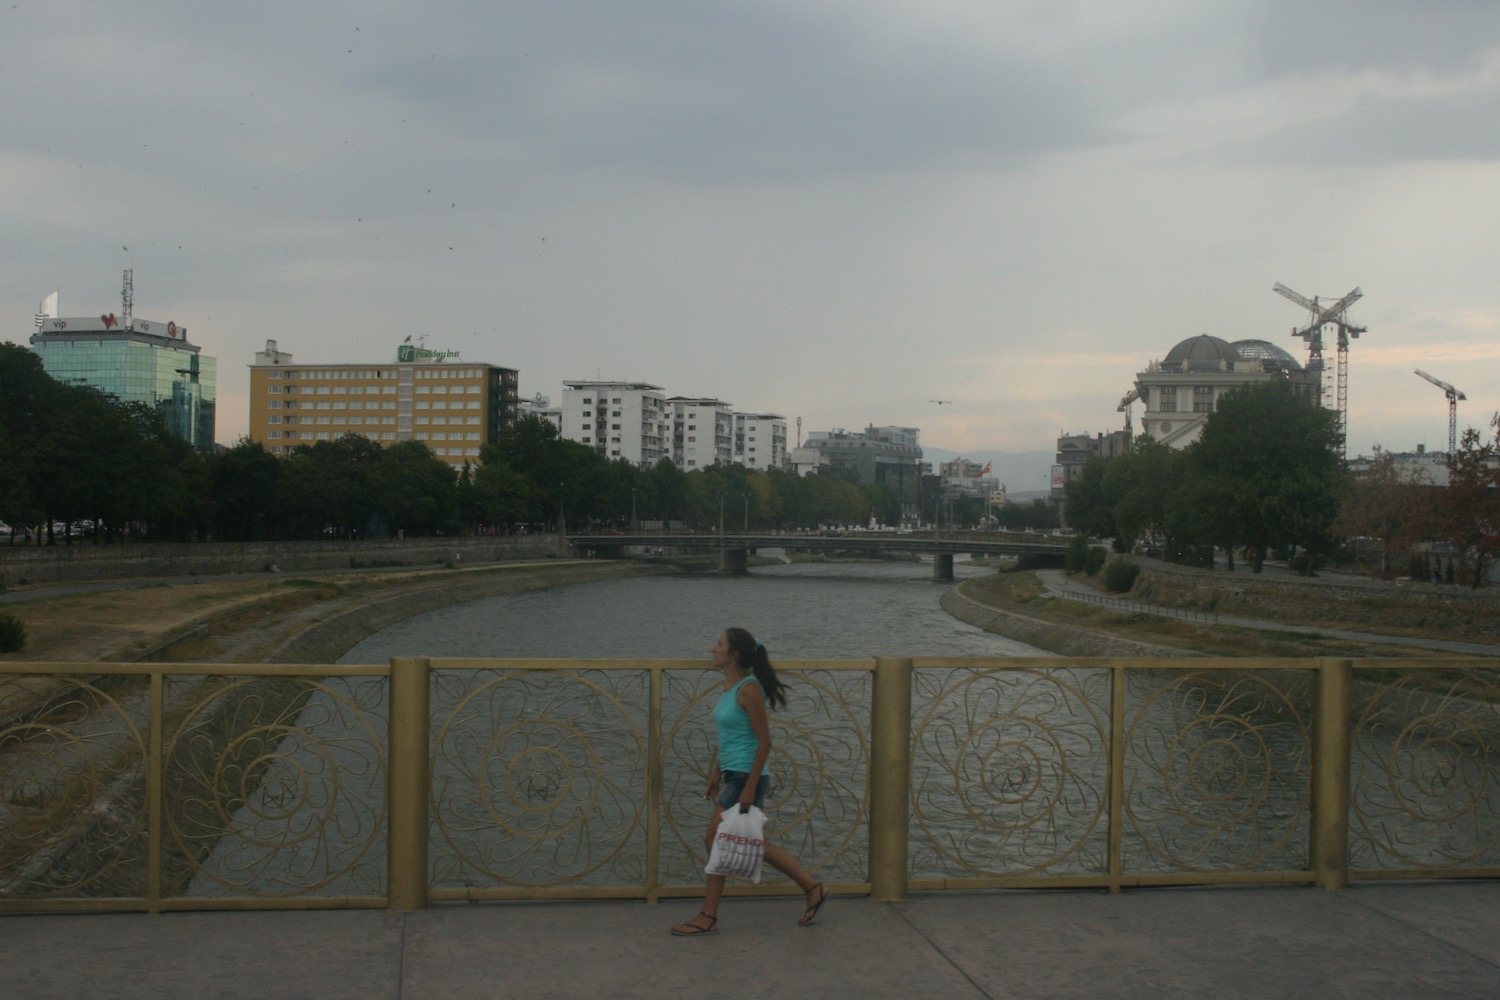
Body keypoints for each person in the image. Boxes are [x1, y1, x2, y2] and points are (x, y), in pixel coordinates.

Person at [669, 627, 830, 936]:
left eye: (719, 644)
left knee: (716, 839)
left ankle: (708, 916)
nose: (712, 649)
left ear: (735, 654)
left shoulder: (749, 689)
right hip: (733, 774)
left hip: (746, 776)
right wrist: (717, 769)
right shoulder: (731, 687)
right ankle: (813, 888)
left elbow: (764, 742)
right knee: (744, 842)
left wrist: (751, 786)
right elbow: (732, 736)